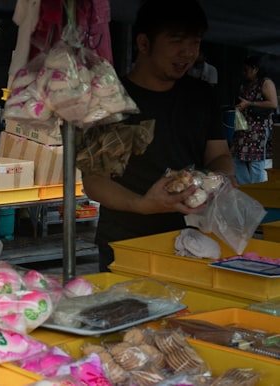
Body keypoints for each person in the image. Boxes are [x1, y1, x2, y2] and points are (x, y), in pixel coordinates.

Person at [83, 0, 236, 272]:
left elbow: (219, 155)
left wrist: (221, 180)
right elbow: (94, 180)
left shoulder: (202, 95)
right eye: (176, 41)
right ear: (144, 44)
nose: (188, 53)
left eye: (196, 42)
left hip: (194, 241)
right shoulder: (110, 99)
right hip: (127, 244)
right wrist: (142, 204)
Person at [232, 55, 277, 184]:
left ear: (255, 69)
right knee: (236, 158)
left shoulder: (265, 83)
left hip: (258, 129)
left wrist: (250, 104)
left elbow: (273, 104)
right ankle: (247, 189)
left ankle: (259, 191)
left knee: (256, 163)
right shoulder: (245, 84)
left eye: (247, 69)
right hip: (243, 126)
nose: (244, 73)